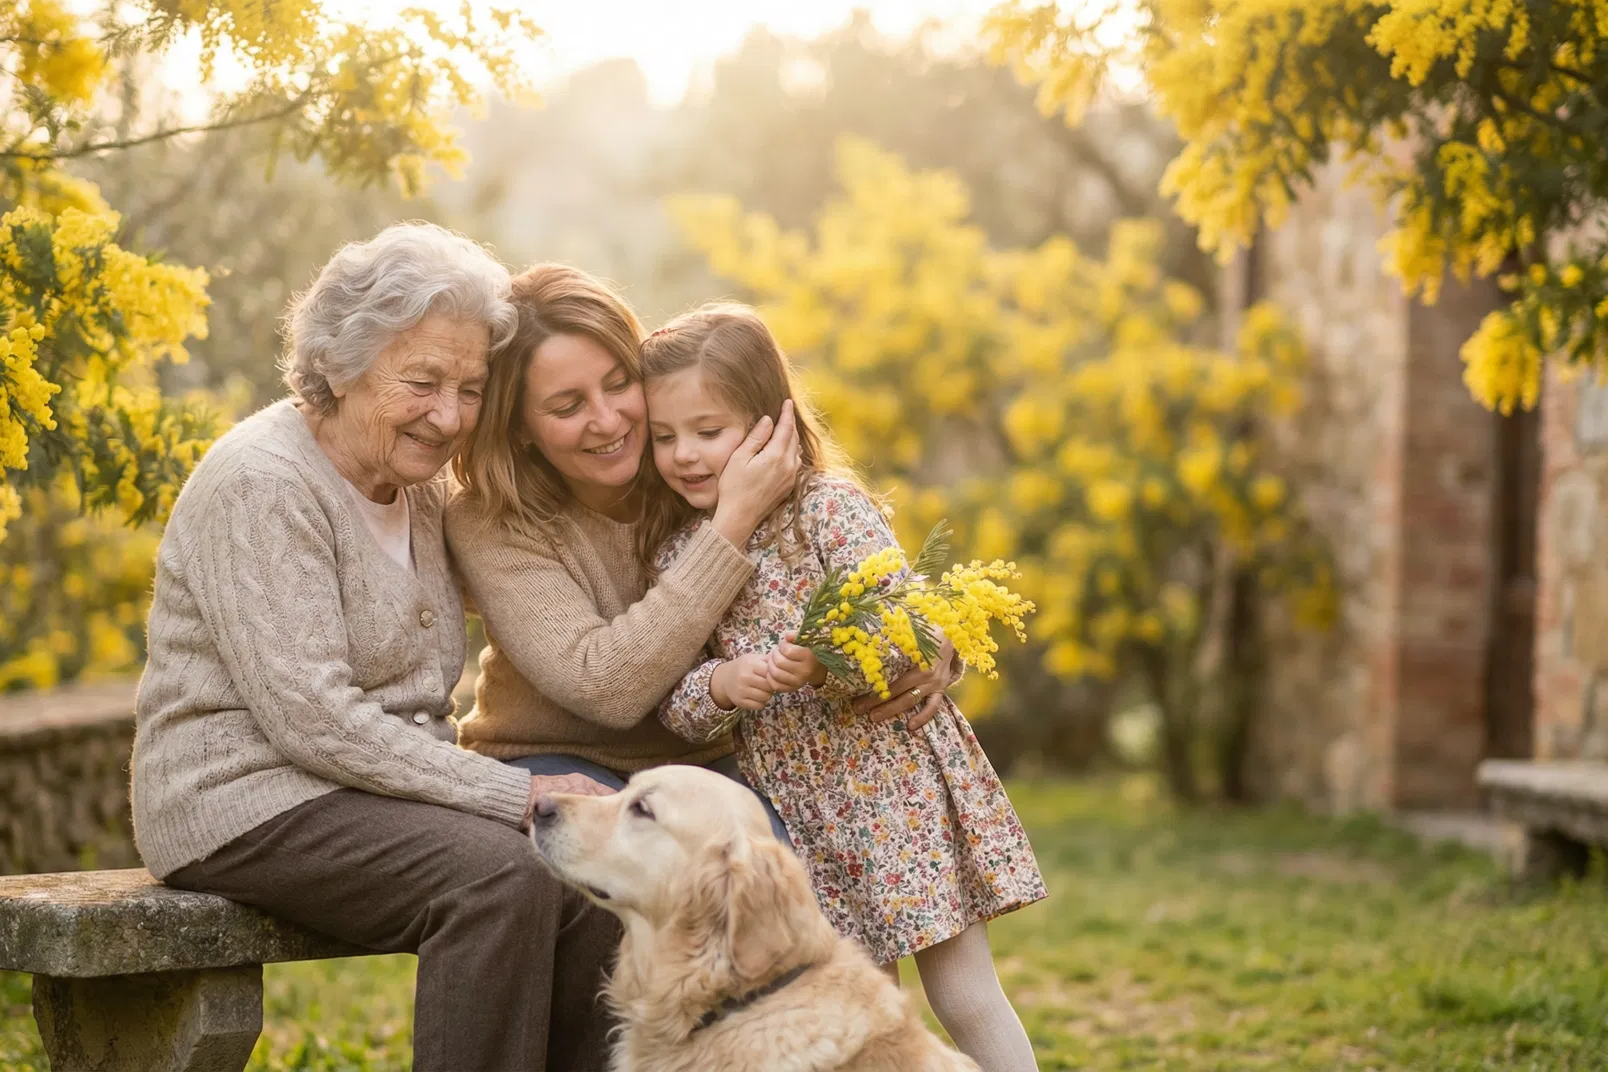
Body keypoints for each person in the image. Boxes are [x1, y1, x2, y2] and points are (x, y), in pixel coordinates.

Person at [130, 224, 616, 1072]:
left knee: (589, 868)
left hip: (360, 794)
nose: (448, 416)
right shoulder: (262, 484)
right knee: (502, 875)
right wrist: (514, 791)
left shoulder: (417, 483)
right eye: (422, 382)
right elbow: (313, 719)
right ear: (339, 365)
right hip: (243, 802)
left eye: (469, 389)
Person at [639, 303, 1048, 1072]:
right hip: (799, 816)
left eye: (707, 430)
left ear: (770, 426)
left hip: (895, 796)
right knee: (862, 1012)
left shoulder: (828, 510)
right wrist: (723, 684)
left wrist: (830, 662)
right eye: (664, 437)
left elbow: (908, 626)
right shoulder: (682, 554)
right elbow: (674, 702)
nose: (684, 454)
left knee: (964, 995)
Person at [447, 265, 957, 837]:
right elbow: (605, 688)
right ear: (518, 425)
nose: (608, 420)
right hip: (554, 757)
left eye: (619, 383)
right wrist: (733, 520)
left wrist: (929, 639)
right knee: (617, 857)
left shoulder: (690, 468)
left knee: (775, 860)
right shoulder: (491, 518)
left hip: (706, 757)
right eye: (567, 407)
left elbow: (846, 569)